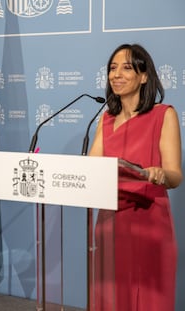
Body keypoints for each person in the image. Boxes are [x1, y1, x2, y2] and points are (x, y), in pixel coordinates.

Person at [88, 43, 182, 311]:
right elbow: (91, 169)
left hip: (149, 222)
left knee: (147, 299)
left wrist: (161, 174)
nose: (116, 74)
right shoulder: (105, 119)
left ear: (144, 76)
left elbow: (176, 176)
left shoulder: (164, 115)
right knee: (111, 297)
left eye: (126, 67)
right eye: (112, 68)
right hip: (109, 222)